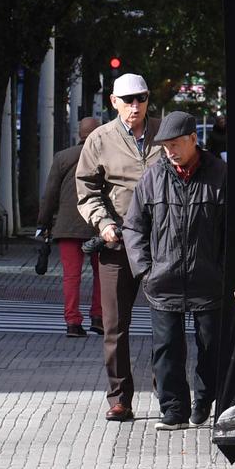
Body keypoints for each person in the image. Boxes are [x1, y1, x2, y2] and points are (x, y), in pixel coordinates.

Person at [122, 110, 227, 429]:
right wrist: (144, 271)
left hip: (209, 280)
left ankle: (205, 402)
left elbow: (234, 229)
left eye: (175, 144)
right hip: (163, 279)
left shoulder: (220, 174)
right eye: (165, 145)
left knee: (211, 348)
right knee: (166, 349)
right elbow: (134, 226)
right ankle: (173, 410)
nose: (170, 151)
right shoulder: (154, 177)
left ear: (194, 139)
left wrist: (225, 270)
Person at [75, 72, 164, 421]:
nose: (134, 106)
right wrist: (104, 223)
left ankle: (168, 395)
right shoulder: (99, 139)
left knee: (166, 322)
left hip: (161, 244)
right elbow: (86, 189)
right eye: (127, 100)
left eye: (140, 98)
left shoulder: (163, 133)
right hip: (117, 244)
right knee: (114, 326)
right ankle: (119, 398)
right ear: (113, 102)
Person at [37, 115, 104, 337]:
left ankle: (72, 322)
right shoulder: (107, 157)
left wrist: (43, 224)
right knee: (102, 274)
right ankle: (98, 317)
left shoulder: (63, 157)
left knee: (71, 276)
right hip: (99, 226)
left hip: (67, 226)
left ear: (79, 134)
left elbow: (50, 196)